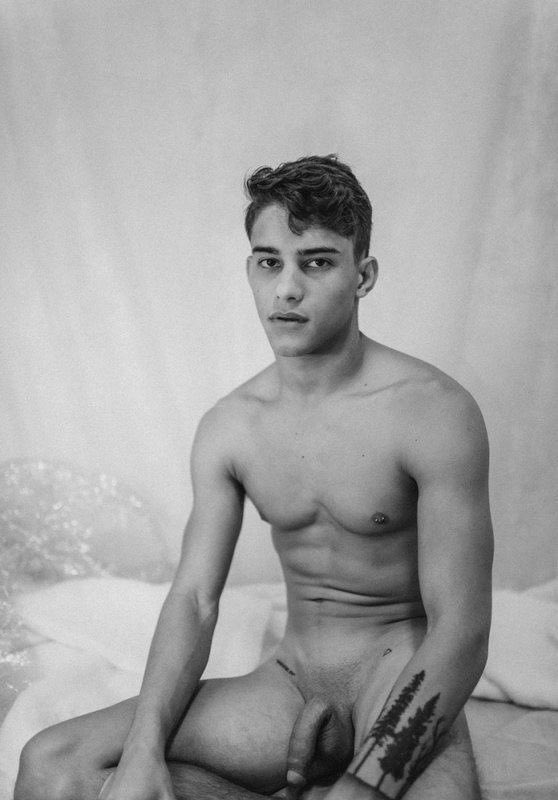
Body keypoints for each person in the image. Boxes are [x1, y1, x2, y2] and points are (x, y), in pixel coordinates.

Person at [14, 155, 493, 800]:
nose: (287, 288)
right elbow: (194, 599)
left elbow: (462, 627)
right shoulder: (231, 426)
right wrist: (143, 750)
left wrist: (365, 785)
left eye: (316, 262)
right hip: (290, 682)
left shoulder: (433, 411)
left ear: (363, 275)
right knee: (52, 764)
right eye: (269, 262)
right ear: (250, 270)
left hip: (399, 677)